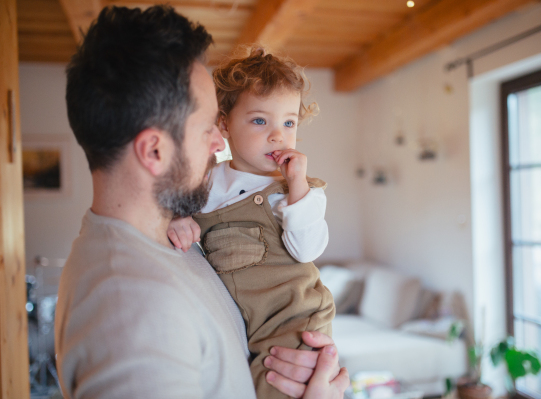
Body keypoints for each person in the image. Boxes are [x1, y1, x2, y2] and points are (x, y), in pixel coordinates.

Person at [54, 5, 349, 399]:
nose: (217, 144)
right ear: (154, 151)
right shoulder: (129, 309)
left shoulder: (166, 240)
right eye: (206, 127)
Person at [167, 47, 335, 399]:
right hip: (248, 326)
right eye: (260, 121)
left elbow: (307, 250)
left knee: (271, 388)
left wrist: (298, 187)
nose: (278, 135)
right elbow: (165, 204)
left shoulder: (297, 191)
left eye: (288, 123)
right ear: (225, 124)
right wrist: (178, 218)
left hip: (295, 318)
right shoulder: (205, 183)